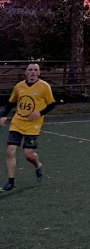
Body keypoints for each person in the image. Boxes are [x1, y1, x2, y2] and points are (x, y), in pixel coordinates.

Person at [1, 62, 56, 191]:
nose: (33, 72)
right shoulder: (19, 86)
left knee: (28, 155)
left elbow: (52, 104)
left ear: (39, 72)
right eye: (30, 70)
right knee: (10, 150)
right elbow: (11, 102)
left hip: (33, 125)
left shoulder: (44, 86)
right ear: (26, 72)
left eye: (35, 70)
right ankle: (11, 181)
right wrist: (3, 115)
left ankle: (37, 164)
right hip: (17, 122)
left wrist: (40, 113)